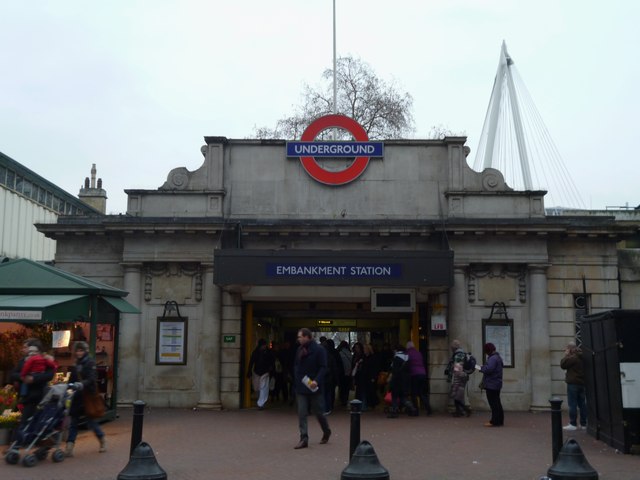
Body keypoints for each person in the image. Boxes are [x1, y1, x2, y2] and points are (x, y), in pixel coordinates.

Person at [66, 341, 107, 456]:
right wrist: (68, 387)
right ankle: (69, 447)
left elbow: (92, 378)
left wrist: (82, 384)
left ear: (85, 351)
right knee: (73, 422)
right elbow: (72, 378)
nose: (79, 353)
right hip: (77, 397)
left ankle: (102, 439)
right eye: (77, 350)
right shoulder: (75, 364)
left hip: (88, 396)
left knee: (91, 422)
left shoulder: (89, 362)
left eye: (81, 350)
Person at [293, 328, 331, 449]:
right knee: (302, 412)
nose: (298, 339)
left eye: (300, 337)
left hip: (314, 386)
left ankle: (326, 430)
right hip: (301, 385)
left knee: (318, 412)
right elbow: (296, 365)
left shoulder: (319, 350)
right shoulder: (299, 350)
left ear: (307, 337)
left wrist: (316, 380)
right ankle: (304, 437)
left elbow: (323, 367)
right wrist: (296, 376)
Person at [10, 338, 55, 429]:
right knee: (26, 420)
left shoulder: (44, 360)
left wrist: (33, 378)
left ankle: (25, 440)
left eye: (26, 347)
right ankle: (24, 439)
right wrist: (23, 377)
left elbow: (50, 375)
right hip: (26, 395)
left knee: (32, 420)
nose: (25, 350)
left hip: (40, 394)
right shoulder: (23, 361)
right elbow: (13, 374)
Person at [560, 341, 587, 431]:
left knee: (572, 404)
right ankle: (584, 423)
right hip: (581, 383)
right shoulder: (581, 356)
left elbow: (563, 364)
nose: (566, 350)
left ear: (570, 349)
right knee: (582, 404)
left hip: (573, 383)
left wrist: (567, 355)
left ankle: (573, 423)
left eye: (567, 349)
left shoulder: (573, 358)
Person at [386, 345, 417, 418]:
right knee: (403, 397)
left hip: (397, 380)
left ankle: (394, 411)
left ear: (396, 350)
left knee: (394, 397)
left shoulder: (396, 358)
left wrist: (391, 380)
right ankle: (413, 408)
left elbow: (394, 371)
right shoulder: (407, 357)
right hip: (405, 380)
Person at [479, 342, 504, 427]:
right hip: (496, 383)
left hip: (491, 384)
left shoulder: (492, 358)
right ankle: (500, 420)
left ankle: (494, 421)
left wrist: (481, 368)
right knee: (497, 402)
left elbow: (489, 369)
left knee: (493, 404)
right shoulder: (498, 357)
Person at [246, 338, 275, 410]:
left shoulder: (269, 352)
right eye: (263, 345)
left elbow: (272, 362)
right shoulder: (255, 352)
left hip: (265, 372)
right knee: (257, 388)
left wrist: (271, 370)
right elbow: (251, 362)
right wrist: (249, 371)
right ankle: (260, 401)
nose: (264, 346)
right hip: (257, 372)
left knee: (263, 387)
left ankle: (261, 404)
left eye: (264, 345)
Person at [445, 339, 471, 417]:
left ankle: (465, 410)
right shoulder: (462, 353)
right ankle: (459, 411)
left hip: (459, 376)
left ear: (454, 347)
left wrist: (455, 378)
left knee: (455, 395)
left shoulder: (458, 355)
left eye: (451, 347)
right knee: (458, 395)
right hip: (462, 376)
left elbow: (458, 367)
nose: (451, 349)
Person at [406, 341, 432, 416]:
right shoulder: (418, 353)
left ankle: (416, 410)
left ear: (408, 347)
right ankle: (429, 409)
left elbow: (407, 364)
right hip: (422, 373)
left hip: (414, 374)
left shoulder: (408, 353)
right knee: (422, 393)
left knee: (414, 394)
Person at [337, 340, 353, 407]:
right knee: (347, 388)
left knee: (342, 387)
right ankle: (345, 399)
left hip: (341, 373)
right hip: (349, 373)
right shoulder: (350, 354)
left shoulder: (339, 353)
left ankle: (342, 399)